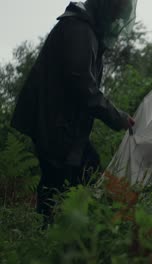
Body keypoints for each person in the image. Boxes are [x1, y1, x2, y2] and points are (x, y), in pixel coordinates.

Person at [10, 0, 138, 225]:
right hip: (55, 127)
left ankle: (57, 237)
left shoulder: (82, 28)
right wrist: (117, 117)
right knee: (71, 182)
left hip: (59, 126)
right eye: (116, 11)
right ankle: (58, 241)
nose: (116, 19)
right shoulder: (79, 30)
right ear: (106, 8)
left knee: (63, 184)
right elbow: (83, 86)